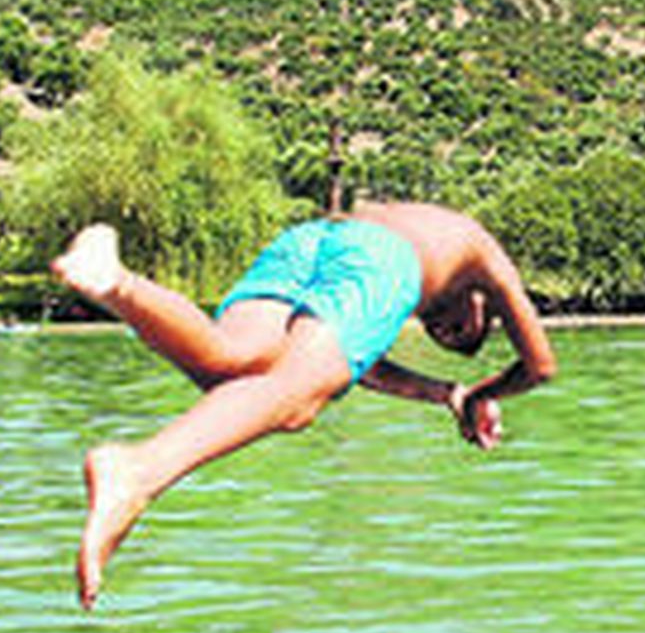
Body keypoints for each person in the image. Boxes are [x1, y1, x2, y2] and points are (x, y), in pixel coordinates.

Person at [51, 202, 557, 610]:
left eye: (444, 338)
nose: (445, 332)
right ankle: (137, 470)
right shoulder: (483, 257)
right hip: (379, 256)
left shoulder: (423, 232)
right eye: (462, 331)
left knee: (229, 365)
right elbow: (540, 366)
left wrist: (452, 393)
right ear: (481, 306)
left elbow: (354, 366)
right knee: (295, 403)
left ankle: (116, 281)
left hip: (311, 240)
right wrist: (489, 391)